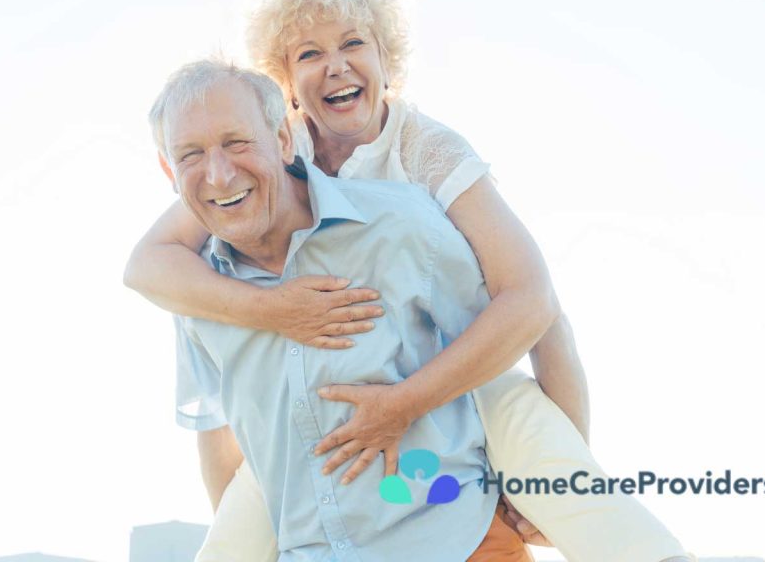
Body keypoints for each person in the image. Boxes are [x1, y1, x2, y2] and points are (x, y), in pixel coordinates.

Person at [129, 0, 693, 561]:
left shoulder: (427, 152)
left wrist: (543, 486)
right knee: (236, 530)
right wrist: (274, 309)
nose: (336, 66)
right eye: (308, 54)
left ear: (385, 57)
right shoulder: (265, 155)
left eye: (353, 44)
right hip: (323, 407)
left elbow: (534, 306)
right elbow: (149, 264)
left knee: (545, 451)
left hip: (457, 373)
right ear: (284, 82)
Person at [159, 58, 532, 560]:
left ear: (284, 140)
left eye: (237, 142)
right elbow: (219, 439)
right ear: (168, 171)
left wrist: (407, 404)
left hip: (459, 544)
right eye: (190, 154)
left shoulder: (400, 223)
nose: (220, 173)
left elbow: (512, 328)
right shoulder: (195, 296)